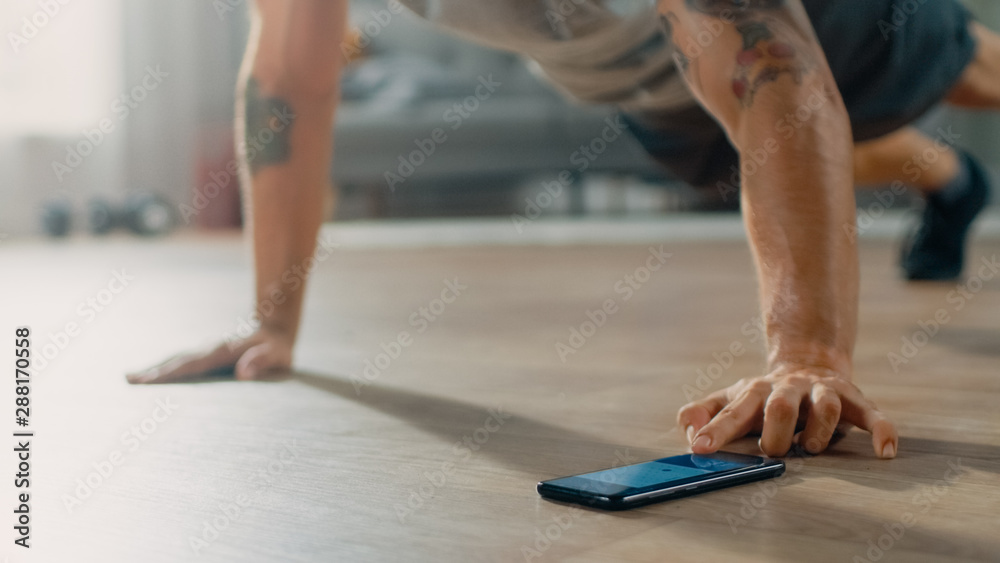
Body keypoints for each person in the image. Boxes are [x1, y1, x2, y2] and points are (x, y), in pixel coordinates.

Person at [127, 0, 1000, 461]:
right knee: (797, 148)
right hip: (653, 88)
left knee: (959, 66)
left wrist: (809, 356)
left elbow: (772, 69)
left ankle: (956, 163)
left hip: (824, 17)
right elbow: (285, 76)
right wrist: (272, 319)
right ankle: (955, 183)